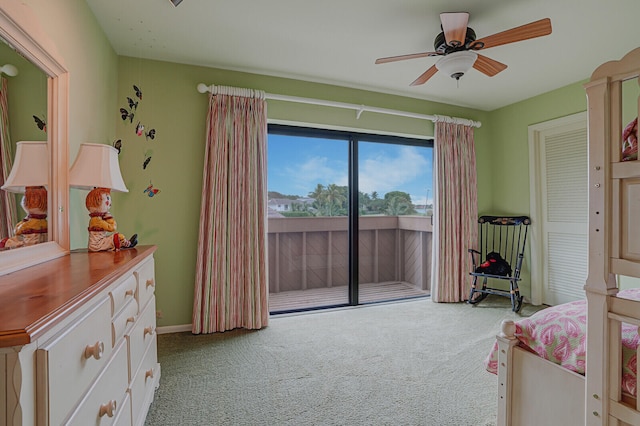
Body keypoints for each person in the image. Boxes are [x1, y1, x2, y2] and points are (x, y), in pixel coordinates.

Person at [85, 187, 137, 251]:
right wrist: (109, 217)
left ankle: (125, 244)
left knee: (115, 238)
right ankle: (127, 244)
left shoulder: (98, 218)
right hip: (97, 245)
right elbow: (112, 228)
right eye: (107, 199)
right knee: (118, 236)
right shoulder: (96, 220)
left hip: (100, 242)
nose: (109, 204)